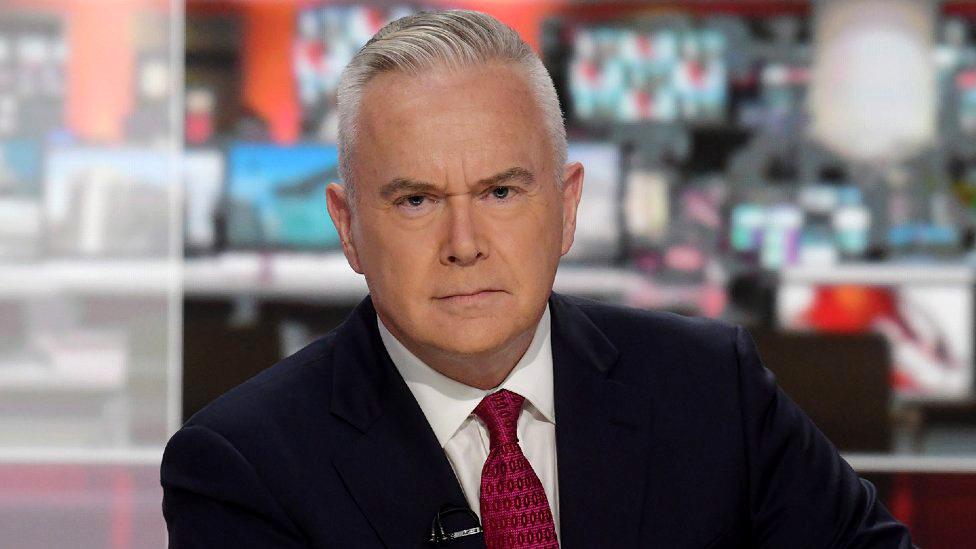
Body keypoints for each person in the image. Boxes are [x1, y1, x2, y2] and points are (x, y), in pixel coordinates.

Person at [161, 10, 914, 548]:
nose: (465, 244)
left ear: (566, 206)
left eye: (501, 192)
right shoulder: (241, 465)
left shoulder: (714, 389)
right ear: (349, 224)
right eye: (416, 199)